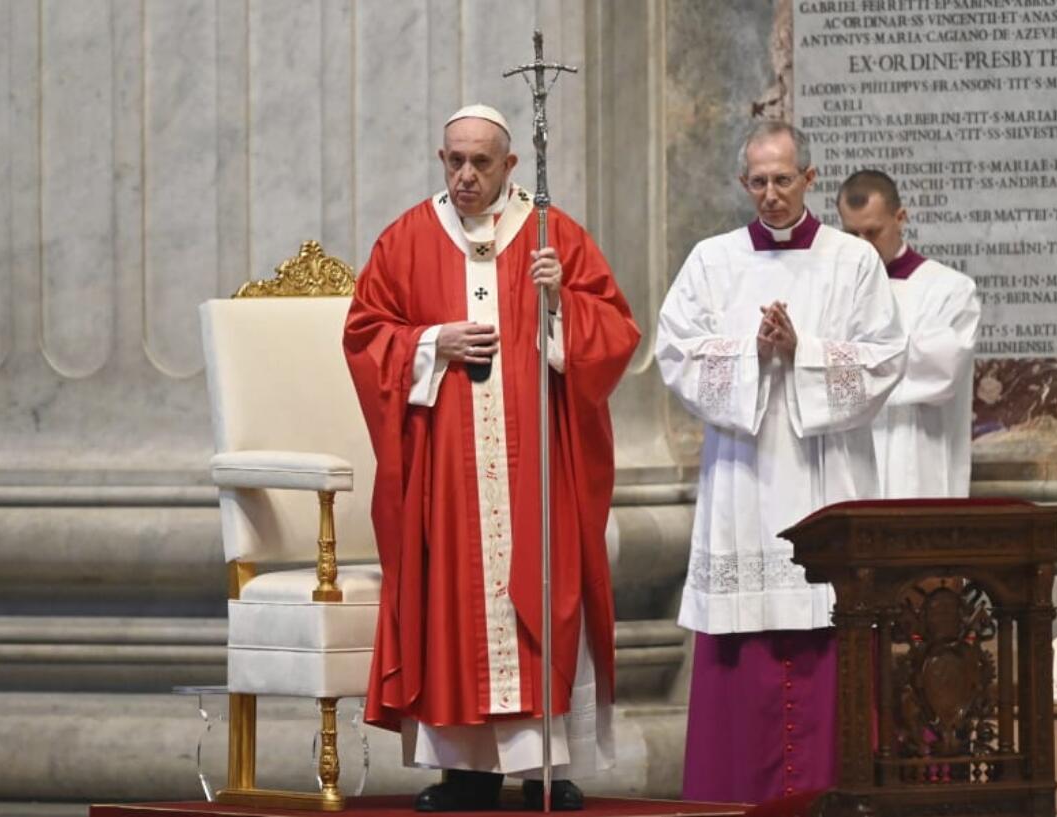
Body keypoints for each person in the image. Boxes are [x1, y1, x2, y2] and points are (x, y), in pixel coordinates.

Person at [344, 104, 640, 812]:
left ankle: (546, 762)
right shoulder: (408, 238)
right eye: (454, 160)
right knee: (455, 601)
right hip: (449, 468)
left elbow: (617, 332)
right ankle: (465, 771)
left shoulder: (552, 233)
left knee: (543, 590)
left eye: (481, 161)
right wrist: (428, 344)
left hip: (535, 462)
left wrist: (560, 301)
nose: (466, 174)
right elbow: (364, 335)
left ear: (511, 165)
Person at [655, 121, 907, 804]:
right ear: (744, 183)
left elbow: (887, 356)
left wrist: (805, 351)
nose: (770, 193)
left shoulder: (852, 262)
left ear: (809, 179)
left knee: (829, 625)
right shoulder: (711, 260)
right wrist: (748, 352)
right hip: (745, 476)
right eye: (758, 181)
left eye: (783, 179)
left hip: (826, 474)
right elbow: (673, 350)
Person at [837, 169, 981, 498]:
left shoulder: (949, 289)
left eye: (872, 232)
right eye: (851, 234)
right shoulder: (832, 291)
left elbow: (942, 370)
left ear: (900, 218)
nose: (862, 247)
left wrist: (856, 355)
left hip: (915, 457)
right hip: (847, 460)